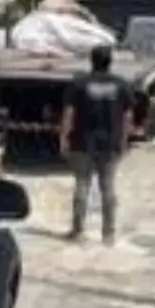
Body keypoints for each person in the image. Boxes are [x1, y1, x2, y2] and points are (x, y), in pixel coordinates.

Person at [60, 43, 136, 243]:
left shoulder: (79, 84)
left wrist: (64, 138)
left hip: (82, 142)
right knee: (108, 188)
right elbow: (128, 116)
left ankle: (78, 231)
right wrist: (124, 141)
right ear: (110, 61)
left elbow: (69, 114)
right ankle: (108, 234)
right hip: (110, 143)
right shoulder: (121, 85)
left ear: (91, 61)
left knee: (82, 185)